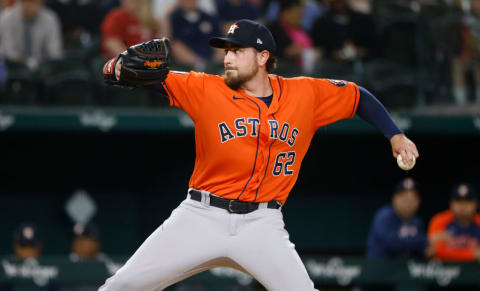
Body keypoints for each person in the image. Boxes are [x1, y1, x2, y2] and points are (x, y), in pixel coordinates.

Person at [100, 19, 419, 291]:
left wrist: (395, 134)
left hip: (261, 223)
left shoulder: (305, 94)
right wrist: (117, 68)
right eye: (226, 50)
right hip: (201, 216)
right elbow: (149, 77)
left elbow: (356, 96)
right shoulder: (206, 89)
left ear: (263, 56)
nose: (228, 58)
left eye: (237, 51)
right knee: (122, 287)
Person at [366, 178, 432, 259]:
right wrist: (427, 240)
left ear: (418, 202)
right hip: (380, 268)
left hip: (405, 269)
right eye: (404, 198)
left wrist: (426, 251)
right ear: (394, 199)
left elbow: (419, 249)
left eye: (412, 199)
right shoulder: (385, 216)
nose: (408, 202)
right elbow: (393, 243)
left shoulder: (416, 222)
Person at [0, 0, 63, 70]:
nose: (30, 6)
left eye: (34, 3)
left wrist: (42, 64)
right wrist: (25, 63)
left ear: (41, 4)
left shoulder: (50, 18)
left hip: (42, 67)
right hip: (12, 67)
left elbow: (55, 52)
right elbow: (8, 51)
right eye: (26, 2)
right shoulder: (6, 18)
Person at [428, 183, 480, 262]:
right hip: (446, 271)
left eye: (467, 201)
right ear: (451, 203)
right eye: (458, 201)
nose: (463, 205)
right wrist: (472, 255)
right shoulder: (440, 220)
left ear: (476, 204)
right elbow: (435, 251)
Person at [169, 0, 222, 70]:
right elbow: (174, 45)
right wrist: (198, 62)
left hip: (211, 61)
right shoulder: (173, 18)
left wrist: (215, 61)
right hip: (185, 65)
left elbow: (219, 41)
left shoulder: (209, 17)